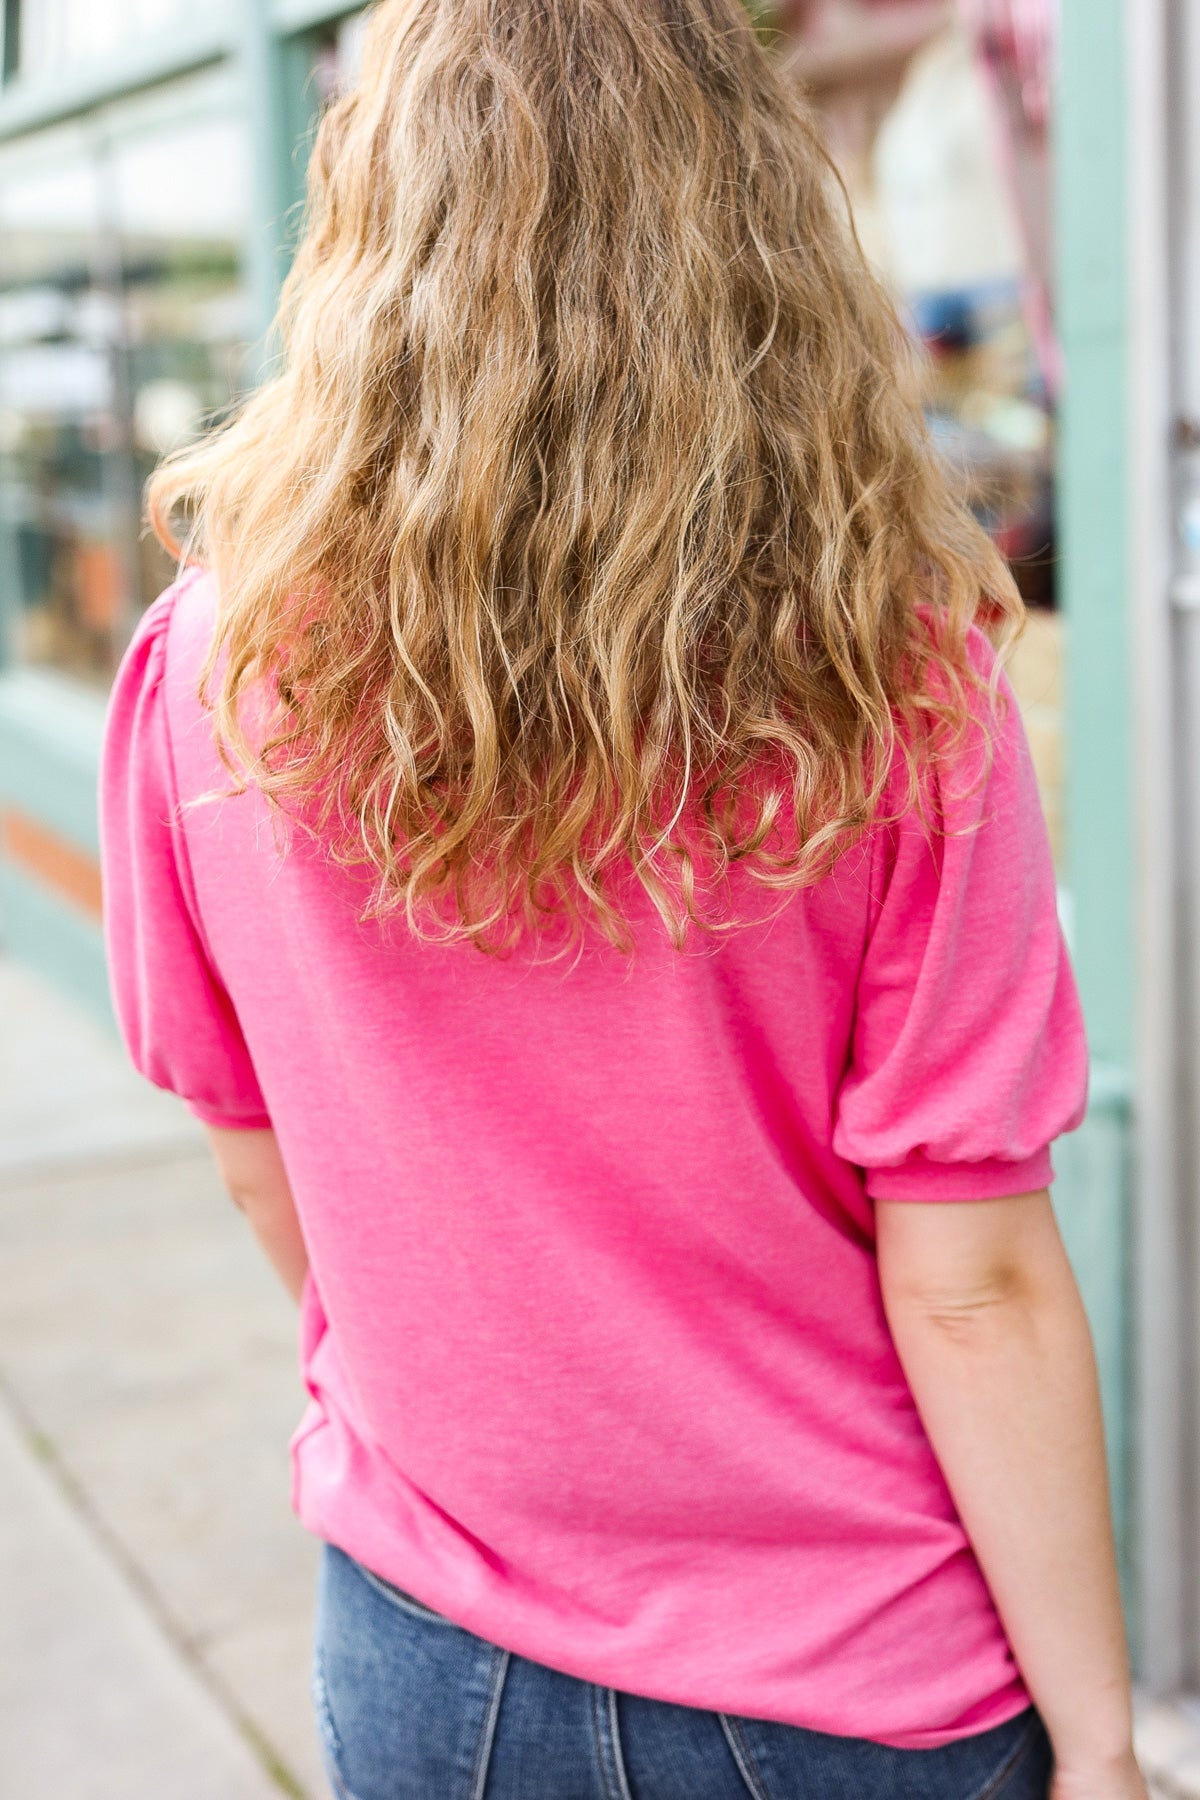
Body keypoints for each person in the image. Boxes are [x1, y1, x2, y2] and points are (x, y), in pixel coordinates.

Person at [99, 2, 1148, 1795]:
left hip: (433, 1638)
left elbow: (255, 1145)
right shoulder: (888, 677)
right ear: (756, 221)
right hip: (852, 1675)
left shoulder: (213, 661)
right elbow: (971, 1279)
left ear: (371, 214)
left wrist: (476, 1373)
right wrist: (1108, 1749)